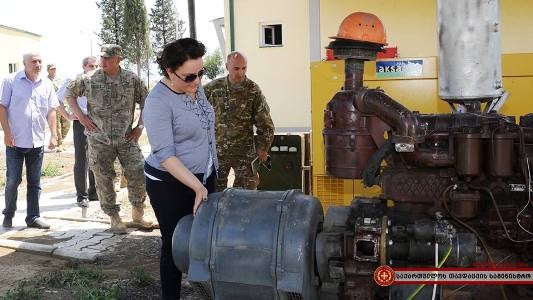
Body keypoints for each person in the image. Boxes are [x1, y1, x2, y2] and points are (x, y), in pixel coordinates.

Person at [143, 38, 217, 300]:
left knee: (207, 239)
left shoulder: (194, 86)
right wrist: (197, 187)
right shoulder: (157, 102)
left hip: (204, 176)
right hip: (170, 184)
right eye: (189, 76)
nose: (196, 81)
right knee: (175, 244)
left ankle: (205, 291)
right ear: (169, 71)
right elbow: (164, 154)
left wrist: (206, 178)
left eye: (201, 73)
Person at [65, 44, 152, 234]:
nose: (103, 62)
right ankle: (114, 218)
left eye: (108, 58)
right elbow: (68, 94)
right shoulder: (89, 78)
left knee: (138, 171)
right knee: (104, 178)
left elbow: (147, 102)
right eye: (102, 58)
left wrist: (140, 127)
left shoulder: (132, 79)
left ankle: (137, 215)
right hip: (99, 139)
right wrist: (82, 117)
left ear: (118, 59)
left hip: (126, 138)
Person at [0, 52, 59, 229]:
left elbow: (51, 110)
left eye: (40, 61)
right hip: (15, 141)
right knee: (13, 181)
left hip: (37, 142)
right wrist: (7, 132)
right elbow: (2, 106)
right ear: (24, 63)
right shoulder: (10, 81)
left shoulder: (47, 84)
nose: (38, 64)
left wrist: (54, 135)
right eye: (34, 61)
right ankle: (8, 214)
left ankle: (33, 217)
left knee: (35, 182)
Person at [204, 51, 274, 191]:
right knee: (213, 193)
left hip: (244, 151)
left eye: (244, 68)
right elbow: (194, 107)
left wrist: (263, 148)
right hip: (218, 151)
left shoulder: (253, 90)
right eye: (236, 68)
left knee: (246, 194)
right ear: (227, 67)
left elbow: (265, 123)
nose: (240, 73)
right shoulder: (214, 87)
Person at [56, 56, 98, 208]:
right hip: (81, 122)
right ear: (84, 67)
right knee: (82, 159)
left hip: (98, 122)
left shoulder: (101, 80)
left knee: (97, 157)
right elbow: (58, 99)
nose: (95, 69)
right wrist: (68, 116)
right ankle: (82, 196)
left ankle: (94, 192)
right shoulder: (74, 80)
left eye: (96, 66)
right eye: (92, 66)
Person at [47, 64, 70, 152]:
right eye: (51, 69)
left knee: (67, 124)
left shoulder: (61, 79)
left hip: (63, 104)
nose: (53, 70)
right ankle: (60, 143)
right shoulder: (46, 81)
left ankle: (62, 140)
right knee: (57, 125)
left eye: (54, 69)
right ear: (48, 70)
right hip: (53, 105)